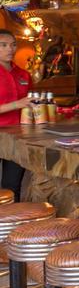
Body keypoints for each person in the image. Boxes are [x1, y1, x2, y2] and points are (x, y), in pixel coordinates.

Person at [0, 29, 31, 199]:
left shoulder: (23, 74)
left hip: (17, 137)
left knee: (12, 186)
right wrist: (16, 104)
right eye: (3, 45)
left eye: (13, 45)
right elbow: (20, 103)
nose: (10, 49)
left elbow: (30, 103)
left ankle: (13, 215)